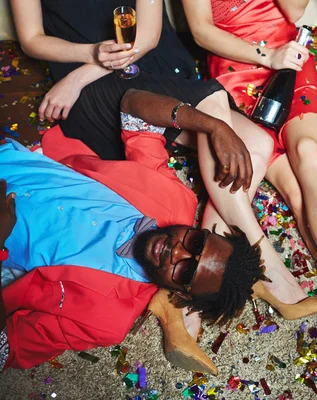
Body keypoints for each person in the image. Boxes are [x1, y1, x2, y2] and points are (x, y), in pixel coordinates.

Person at [181, 0, 317, 380]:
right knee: (296, 193)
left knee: (309, 154)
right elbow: (202, 31)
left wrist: (278, 55)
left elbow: (295, 9)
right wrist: (266, 56)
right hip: (237, 76)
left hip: (290, 61)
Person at [0, 88, 284, 374]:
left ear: (181, 295)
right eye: (195, 242)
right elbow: (132, 106)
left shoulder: (105, 320)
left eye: (186, 271)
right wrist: (213, 125)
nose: (177, 251)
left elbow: (6, 349)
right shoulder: (175, 199)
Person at [11, 0, 204, 160]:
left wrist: (77, 79)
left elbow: (148, 37)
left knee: (210, 122)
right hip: (78, 62)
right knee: (209, 126)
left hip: (146, 55)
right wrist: (91, 53)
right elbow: (31, 40)